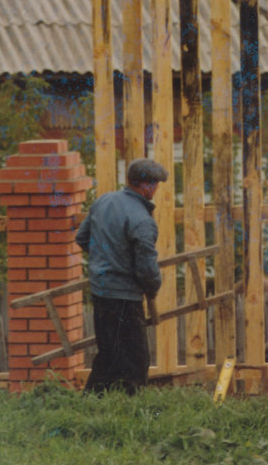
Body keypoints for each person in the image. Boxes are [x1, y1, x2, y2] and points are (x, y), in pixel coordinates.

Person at [75, 157, 168, 394]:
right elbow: (147, 270)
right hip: (125, 300)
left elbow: (82, 238)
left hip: (101, 293)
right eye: (155, 184)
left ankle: (89, 407)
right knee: (135, 362)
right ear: (146, 186)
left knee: (108, 355)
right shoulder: (142, 220)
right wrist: (154, 286)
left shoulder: (104, 201)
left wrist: (107, 258)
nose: (156, 189)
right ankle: (132, 413)